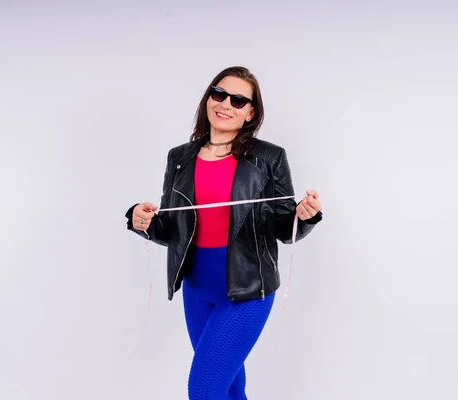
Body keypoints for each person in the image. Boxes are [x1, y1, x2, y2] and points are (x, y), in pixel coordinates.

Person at [125, 66, 323, 399]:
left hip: (249, 289)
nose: (225, 104)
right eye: (219, 94)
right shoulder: (180, 158)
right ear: (208, 98)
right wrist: (140, 221)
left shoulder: (269, 158)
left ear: (250, 112)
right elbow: (171, 228)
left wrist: (305, 217)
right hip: (197, 288)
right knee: (230, 387)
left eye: (238, 99)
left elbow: (283, 227)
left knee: (204, 388)